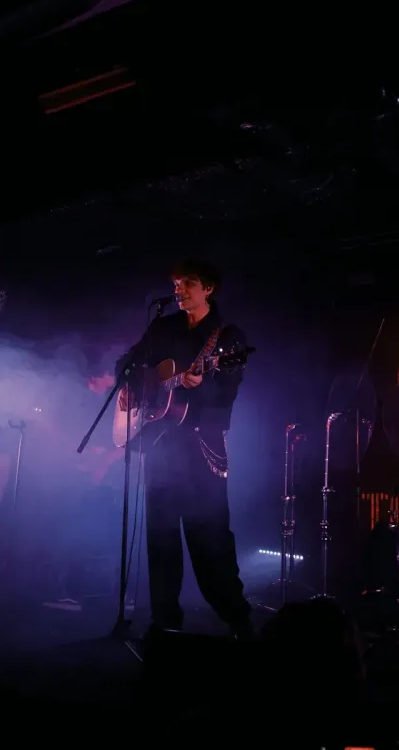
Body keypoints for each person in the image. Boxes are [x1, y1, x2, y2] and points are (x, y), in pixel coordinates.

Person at [115, 259, 254, 639]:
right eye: (176, 283)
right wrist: (132, 386)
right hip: (160, 446)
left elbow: (228, 394)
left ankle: (237, 618)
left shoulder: (228, 338)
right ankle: (165, 622)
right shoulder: (163, 327)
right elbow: (126, 364)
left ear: (208, 288)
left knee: (210, 537)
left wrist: (199, 385)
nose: (178, 289)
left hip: (202, 448)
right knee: (160, 539)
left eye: (187, 283)